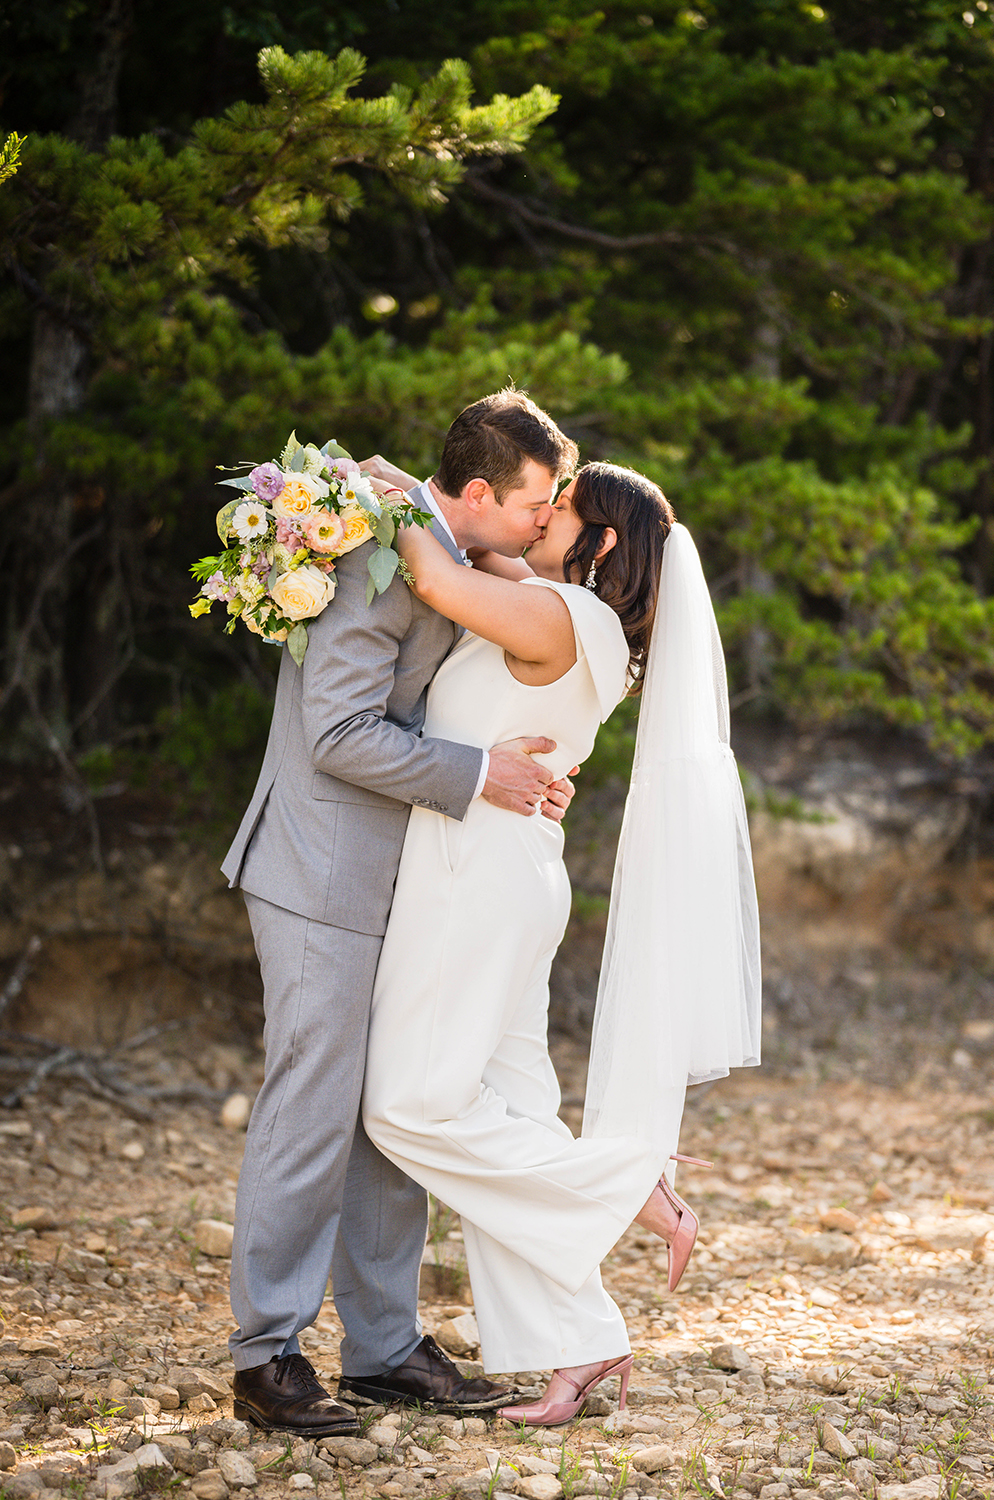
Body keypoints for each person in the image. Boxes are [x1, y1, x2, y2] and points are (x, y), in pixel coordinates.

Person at [360, 459, 761, 1426]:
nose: (543, 518)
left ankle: (627, 1186)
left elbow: (437, 576)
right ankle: (577, 1346)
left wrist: (372, 497)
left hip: (477, 880)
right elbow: (475, 542)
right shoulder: (578, 620)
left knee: (406, 1108)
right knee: (513, 1112)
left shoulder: (564, 617)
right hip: (512, 869)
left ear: (606, 540)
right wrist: (416, 484)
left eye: (565, 508)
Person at [220, 390, 580, 1436]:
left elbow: (493, 606)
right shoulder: (371, 562)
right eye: (534, 502)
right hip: (317, 871)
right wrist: (480, 777)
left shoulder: (440, 551)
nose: (543, 518)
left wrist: (516, 773)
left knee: (387, 1113)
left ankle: (382, 1348)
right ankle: (267, 1356)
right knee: (313, 1104)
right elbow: (336, 735)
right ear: (475, 494)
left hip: (397, 876)